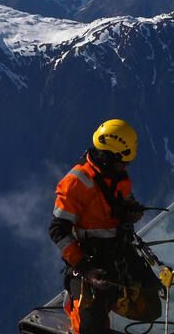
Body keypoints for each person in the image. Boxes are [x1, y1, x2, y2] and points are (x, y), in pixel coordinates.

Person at [62, 119, 159, 333]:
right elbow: (58, 231)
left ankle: (110, 299)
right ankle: (79, 304)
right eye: (122, 162)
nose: (126, 166)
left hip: (119, 254)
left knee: (152, 308)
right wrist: (85, 269)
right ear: (108, 156)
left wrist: (130, 212)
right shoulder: (75, 183)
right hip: (91, 262)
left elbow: (124, 200)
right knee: (90, 329)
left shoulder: (117, 175)